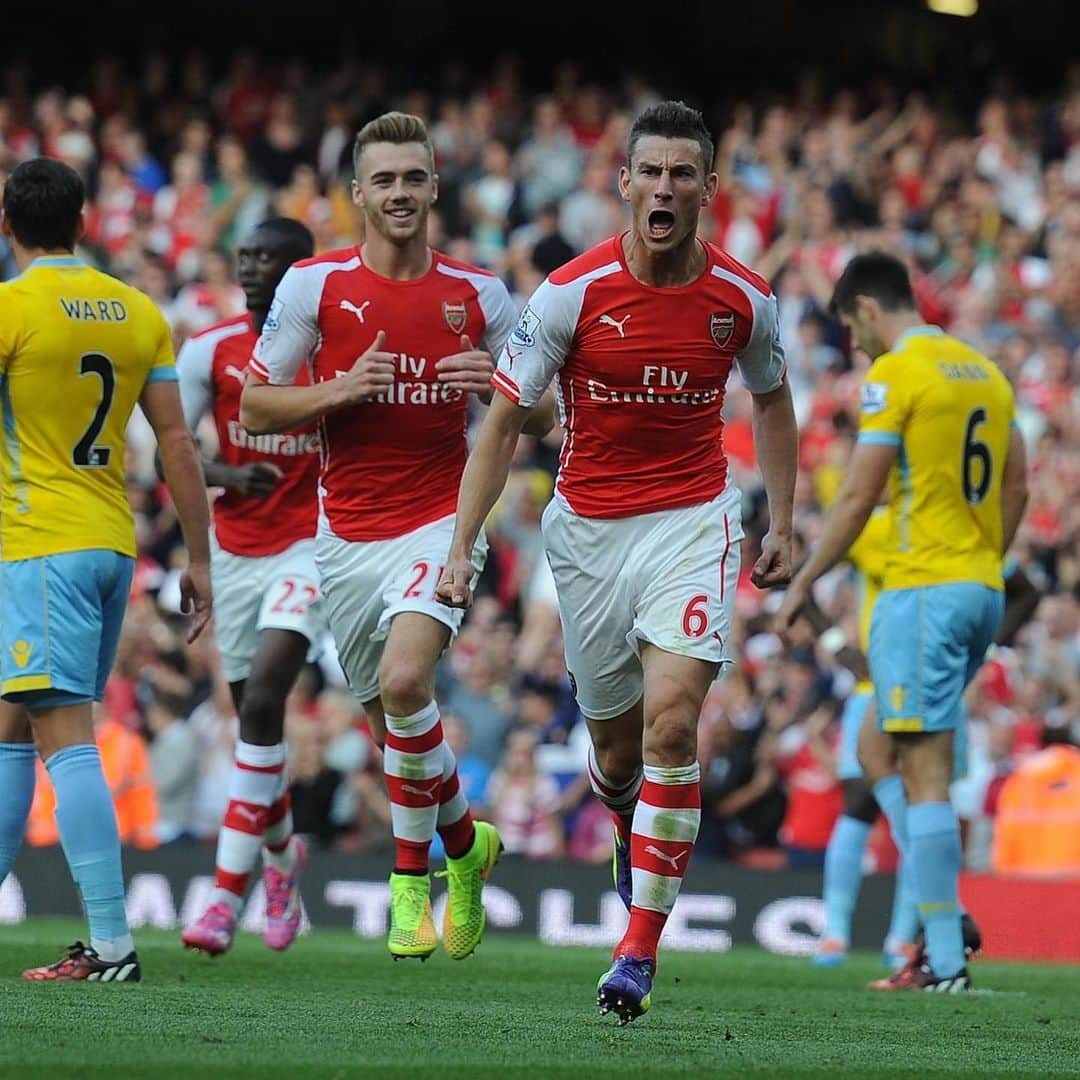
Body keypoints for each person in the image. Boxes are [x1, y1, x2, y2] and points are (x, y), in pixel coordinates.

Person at [437, 100, 798, 1023]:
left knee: (675, 726)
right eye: (652, 171)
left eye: (685, 172)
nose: (666, 186)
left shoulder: (744, 298)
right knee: (617, 752)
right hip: (588, 535)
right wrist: (461, 543)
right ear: (625, 183)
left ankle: (636, 950)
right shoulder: (571, 292)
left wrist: (783, 521)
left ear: (708, 191)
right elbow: (506, 422)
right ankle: (626, 819)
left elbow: (774, 400)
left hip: (693, 524)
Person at [239, 112, 552, 962]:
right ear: (357, 194)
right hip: (344, 536)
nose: (401, 193)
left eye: (414, 177)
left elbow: (551, 413)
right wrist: (338, 389)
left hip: (442, 522)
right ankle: (466, 844)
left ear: (435, 185)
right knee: (395, 732)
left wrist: (495, 383)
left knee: (409, 683)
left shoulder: (480, 295)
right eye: (384, 180)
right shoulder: (313, 286)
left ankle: (409, 887)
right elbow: (254, 406)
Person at [777, 250, 1028, 992]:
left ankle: (945, 955)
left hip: (922, 592)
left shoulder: (897, 375)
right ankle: (939, 924)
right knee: (877, 749)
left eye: (853, 328)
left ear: (868, 309)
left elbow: (858, 497)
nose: (855, 345)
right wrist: (985, 561)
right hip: (977, 587)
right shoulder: (986, 372)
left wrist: (805, 580)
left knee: (919, 773)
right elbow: (1016, 484)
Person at [0, 158, 212, 982]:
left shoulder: (12, 307)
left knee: (64, 738)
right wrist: (197, 555)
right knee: (13, 730)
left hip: (37, 545)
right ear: (84, 222)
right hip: (110, 545)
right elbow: (178, 443)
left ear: (8, 224)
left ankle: (114, 945)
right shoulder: (136, 310)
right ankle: (109, 940)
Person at [177, 218, 324, 957]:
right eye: (246, 257)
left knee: (265, 699)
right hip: (236, 553)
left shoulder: (332, 350)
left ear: (302, 270)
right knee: (252, 728)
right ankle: (281, 860)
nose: (254, 268)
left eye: (270, 258)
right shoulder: (210, 349)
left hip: (311, 546)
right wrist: (227, 475)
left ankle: (222, 898)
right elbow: (170, 452)